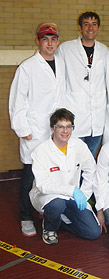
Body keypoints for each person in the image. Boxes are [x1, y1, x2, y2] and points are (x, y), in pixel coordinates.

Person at [9, 23, 65, 237]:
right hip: (33, 131)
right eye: (45, 39)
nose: (49, 43)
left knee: (51, 174)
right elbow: (17, 100)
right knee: (30, 176)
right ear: (38, 41)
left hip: (54, 132)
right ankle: (25, 216)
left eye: (53, 39)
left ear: (57, 41)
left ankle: (44, 210)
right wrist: (23, 129)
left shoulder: (60, 63)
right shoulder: (28, 67)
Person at [29, 108, 101, 245]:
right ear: (52, 128)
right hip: (49, 196)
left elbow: (91, 169)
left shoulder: (79, 145)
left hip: (73, 196)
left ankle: (60, 221)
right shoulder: (40, 151)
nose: (65, 131)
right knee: (57, 204)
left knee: (93, 232)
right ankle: (49, 228)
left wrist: (84, 194)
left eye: (69, 127)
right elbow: (43, 185)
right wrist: (72, 190)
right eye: (60, 127)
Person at [57, 11, 109, 158]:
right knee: (72, 158)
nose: (90, 28)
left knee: (90, 159)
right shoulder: (65, 49)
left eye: (94, 24)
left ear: (98, 28)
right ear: (79, 28)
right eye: (86, 24)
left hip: (97, 118)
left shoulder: (105, 51)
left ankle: (85, 182)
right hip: (75, 115)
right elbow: (58, 81)